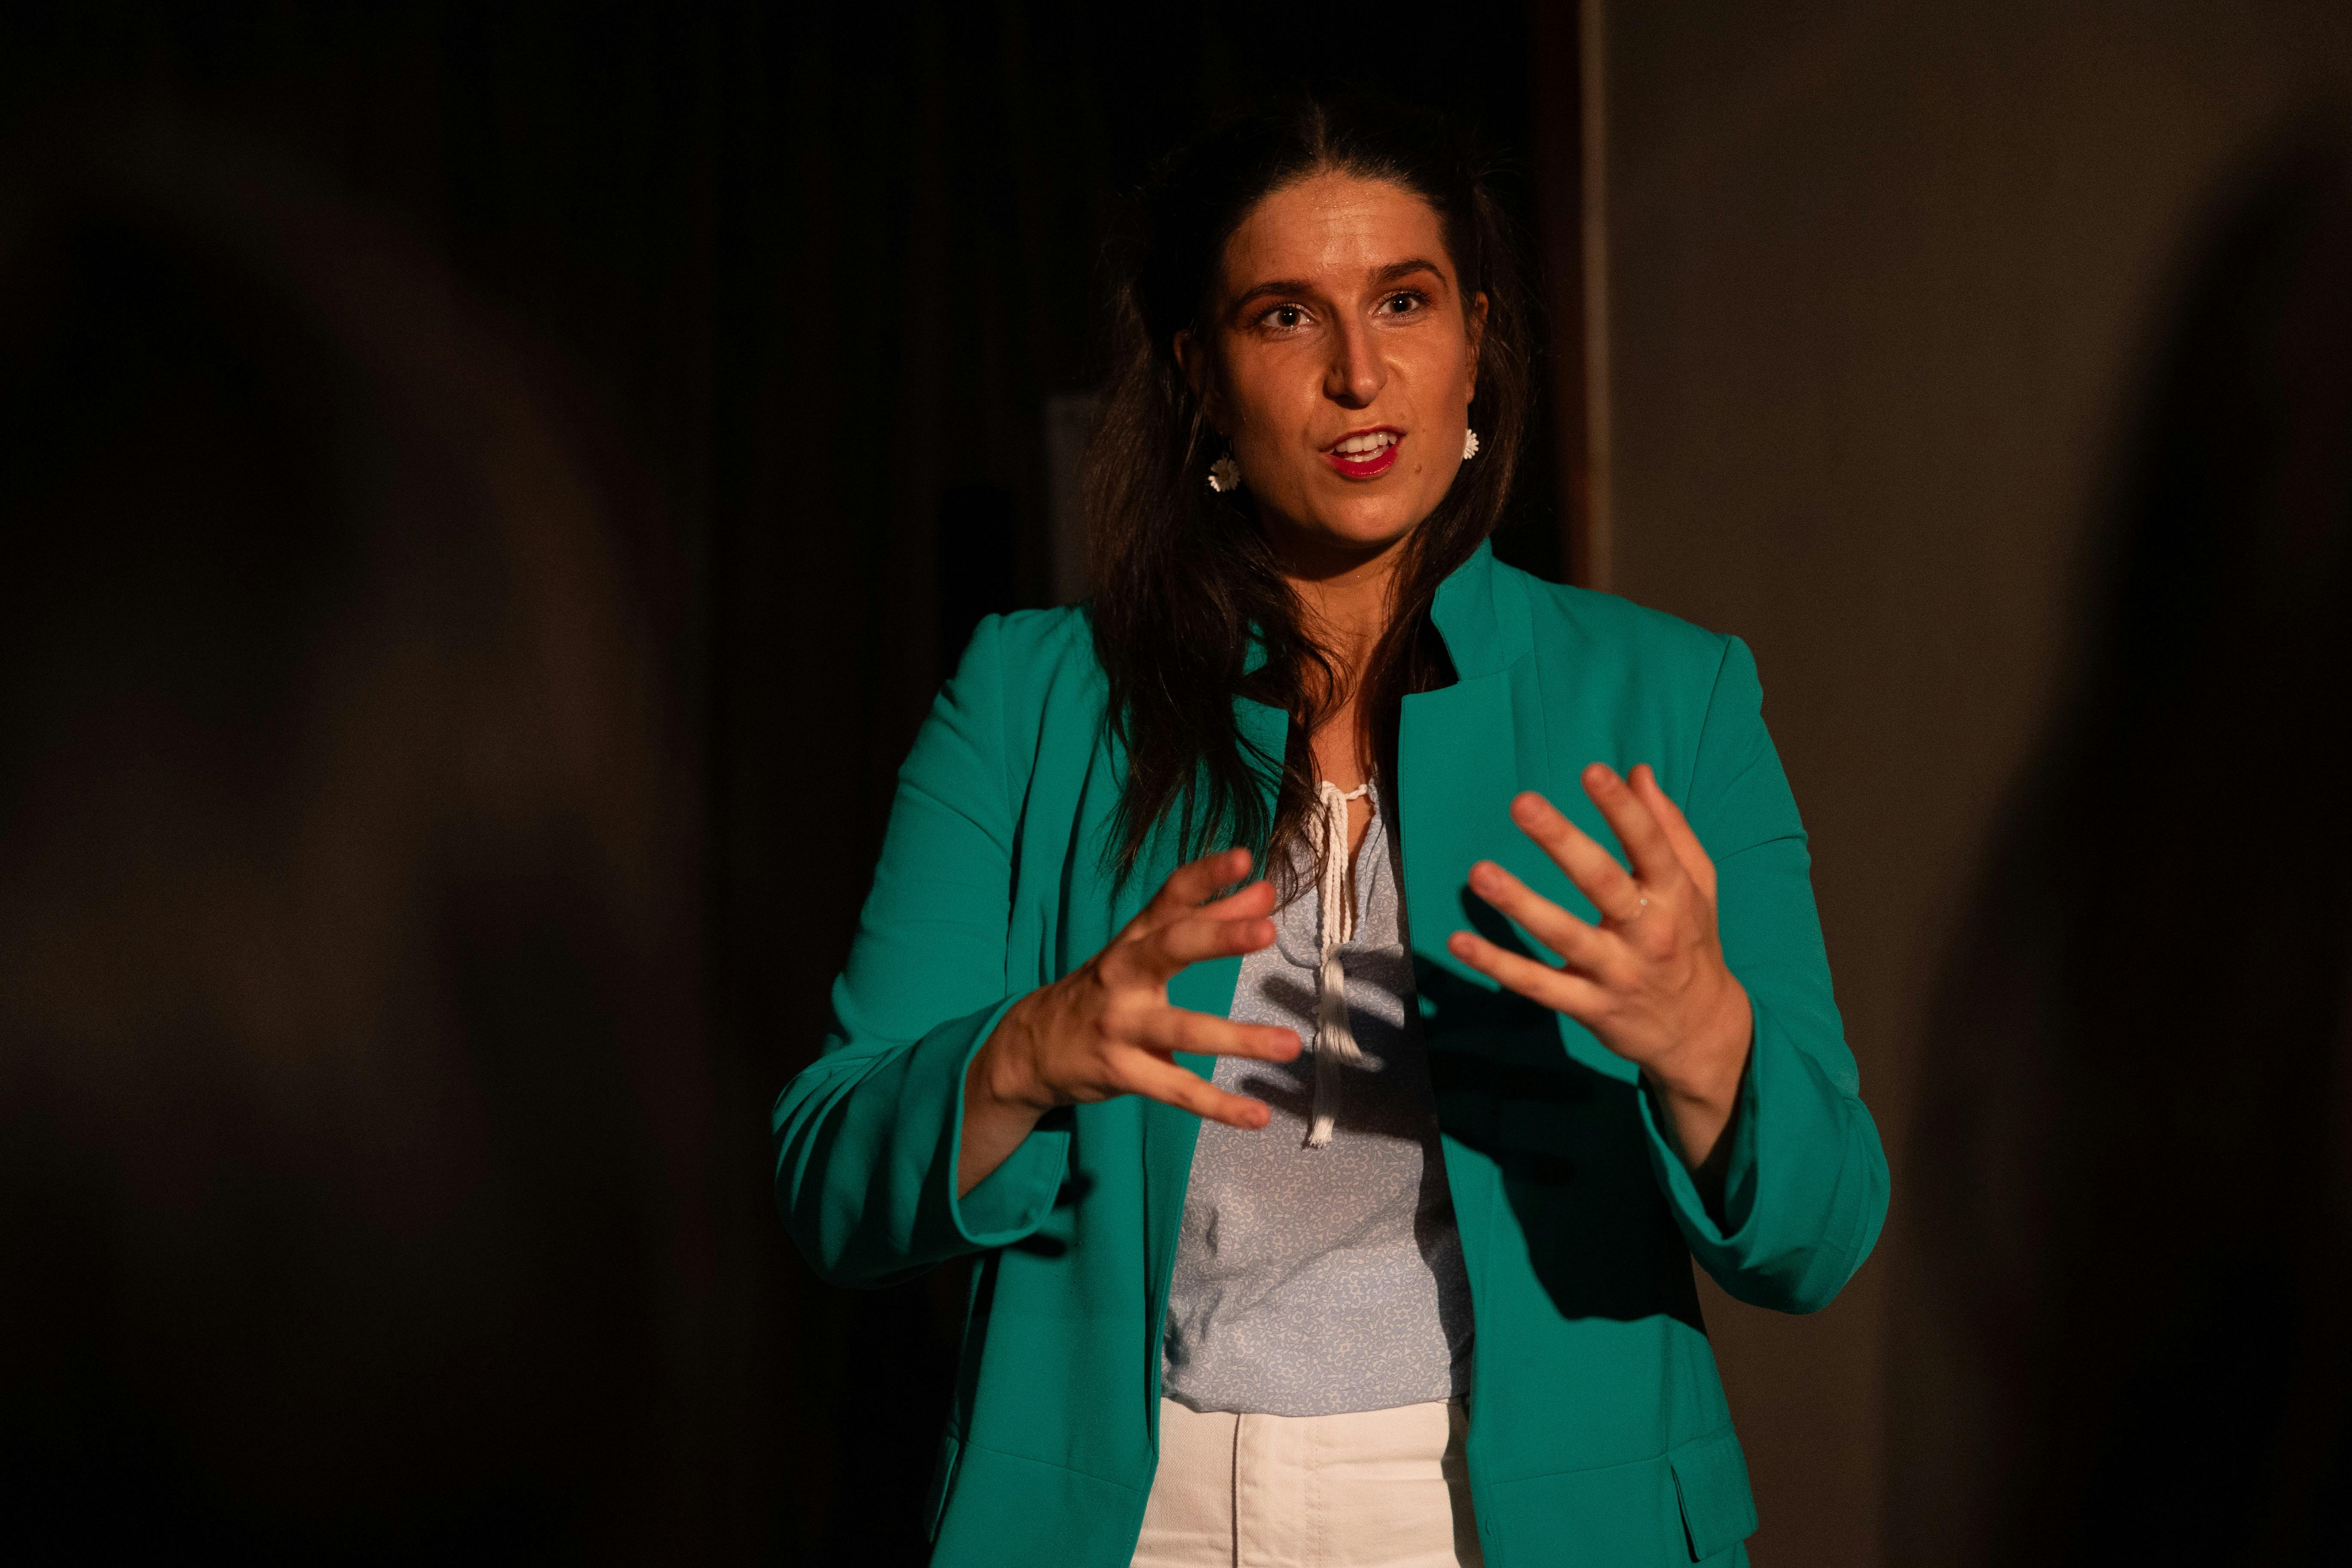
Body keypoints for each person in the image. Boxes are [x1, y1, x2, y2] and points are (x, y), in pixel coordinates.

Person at [774, 96, 1887, 1568]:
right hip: (1131, 1521)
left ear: (1475, 339)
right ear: (1200, 374)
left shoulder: (1671, 694)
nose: (1362, 374)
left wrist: (1706, 1038)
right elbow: (825, 1176)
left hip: (1532, 1519)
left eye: (1406, 303)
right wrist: (1026, 1052)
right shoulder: (1030, 694)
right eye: (1287, 317)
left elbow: (1820, 1237)